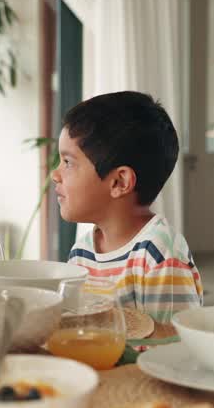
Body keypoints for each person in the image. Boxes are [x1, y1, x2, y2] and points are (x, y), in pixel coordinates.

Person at [54, 91, 203, 323]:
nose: (55, 174)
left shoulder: (160, 256)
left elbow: (175, 347)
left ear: (119, 182)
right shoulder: (82, 253)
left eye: (68, 163)